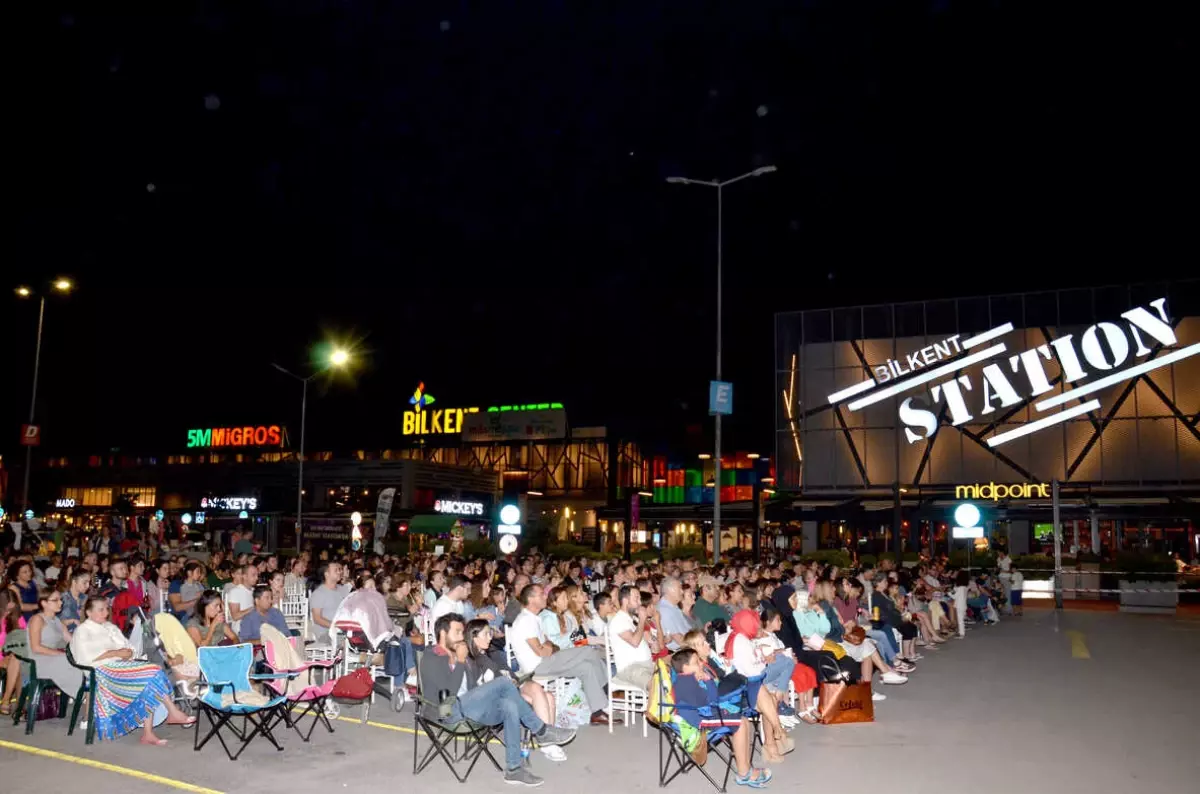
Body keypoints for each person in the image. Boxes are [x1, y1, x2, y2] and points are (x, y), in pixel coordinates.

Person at [419, 613, 575, 787]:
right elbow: (448, 694)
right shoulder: (432, 657)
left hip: (470, 709)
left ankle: (514, 769)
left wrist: (470, 665)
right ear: (442, 634)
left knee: (509, 705)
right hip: (446, 710)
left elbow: (474, 689)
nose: (462, 637)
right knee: (502, 683)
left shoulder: (463, 655)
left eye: (463, 633)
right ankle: (541, 731)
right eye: (457, 632)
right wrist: (461, 662)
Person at [69, 596, 197, 744]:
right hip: (101, 671)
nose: (105, 613)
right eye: (101, 610)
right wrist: (116, 653)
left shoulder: (110, 627)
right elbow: (85, 656)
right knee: (152, 672)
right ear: (89, 612)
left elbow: (129, 648)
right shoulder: (83, 630)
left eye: (106, 609)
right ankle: (172, 712)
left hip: (120, 666)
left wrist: (128, 653)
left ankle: (149, 732)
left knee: (153, 671)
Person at [463, 618, 565, 763]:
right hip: (495, 699)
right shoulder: (471, 660)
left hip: (512, 689)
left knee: (548, 696)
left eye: (490, 633)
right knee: (539, 695)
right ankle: (547, 742)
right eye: (486, 634)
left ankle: (549, 742)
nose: (490, 637)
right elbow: (477, 689)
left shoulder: (494, 653)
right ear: (474, 637)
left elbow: (510, 673)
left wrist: (512, 680)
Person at [509, 584, 611, 726]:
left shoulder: (536, 618)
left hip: (548, 660)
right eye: (541, 594)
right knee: (588, 651)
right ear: (531, 599)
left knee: (586, 667)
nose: (545, 596)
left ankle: (597, 712)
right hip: (537, 666)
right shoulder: (526, 620)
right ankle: (606, 692)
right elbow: (541, 650)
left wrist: (548, 646)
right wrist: (548, 647)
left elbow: (550, 644)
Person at [671, 648, 772, 789]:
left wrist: (708, 681)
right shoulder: (684, 682)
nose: (700, 664)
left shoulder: (691, 679)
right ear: (685, 668)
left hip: (705, 713)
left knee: (741, 718)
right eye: (696, 662)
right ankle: (744, 774)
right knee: (739, 722)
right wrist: (706, 682)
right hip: (698, 720)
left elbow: (713, 699)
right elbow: (706, 702)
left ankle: (746, 768)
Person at [608, 584, 657, 690]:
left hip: (647, 665)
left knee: (673, 676)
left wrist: (652, 639)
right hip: (631, 669)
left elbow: (655, 648)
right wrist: (642, 620)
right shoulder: (619, 620)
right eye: (636, 598)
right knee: (657, 686)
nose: (640, 603)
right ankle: (657, 706)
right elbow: (635, 642)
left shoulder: (633, 619)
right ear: (626, 601)